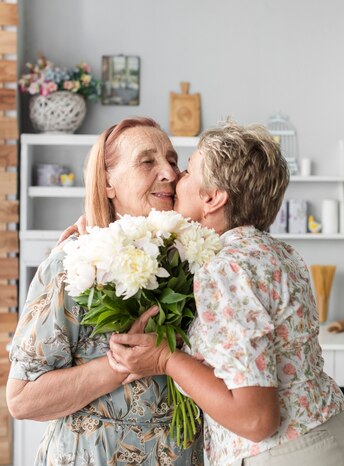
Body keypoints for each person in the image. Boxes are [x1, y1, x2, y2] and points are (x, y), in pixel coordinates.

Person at [108, 121, 344, 466]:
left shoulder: (226, 268)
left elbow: (256, 420)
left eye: (188, 170)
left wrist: (165, 359)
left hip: (285, 454)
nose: (176, 178)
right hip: (336, 434)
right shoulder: (276, 252)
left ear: (213, 198)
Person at [7, 117, 203, 465]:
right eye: (147, 161)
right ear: (108, 182)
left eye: (172, 160)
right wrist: (120, 365)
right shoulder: (72, 264)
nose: (170, 174)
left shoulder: (192, 259)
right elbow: (23, 399)